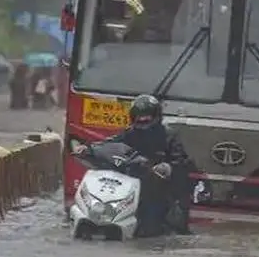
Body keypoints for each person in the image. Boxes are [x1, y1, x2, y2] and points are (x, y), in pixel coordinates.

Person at [74, 94, 193, 236]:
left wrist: (167, 167)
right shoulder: (129, 133)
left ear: (156, 117)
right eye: (139, 118)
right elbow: (110, 143)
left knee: (154, 227)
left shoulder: (169, 136)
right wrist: (89, 149)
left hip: (159, 189)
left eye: (146, 118)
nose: (142, 122)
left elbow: (181, 162)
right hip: (130, 185)